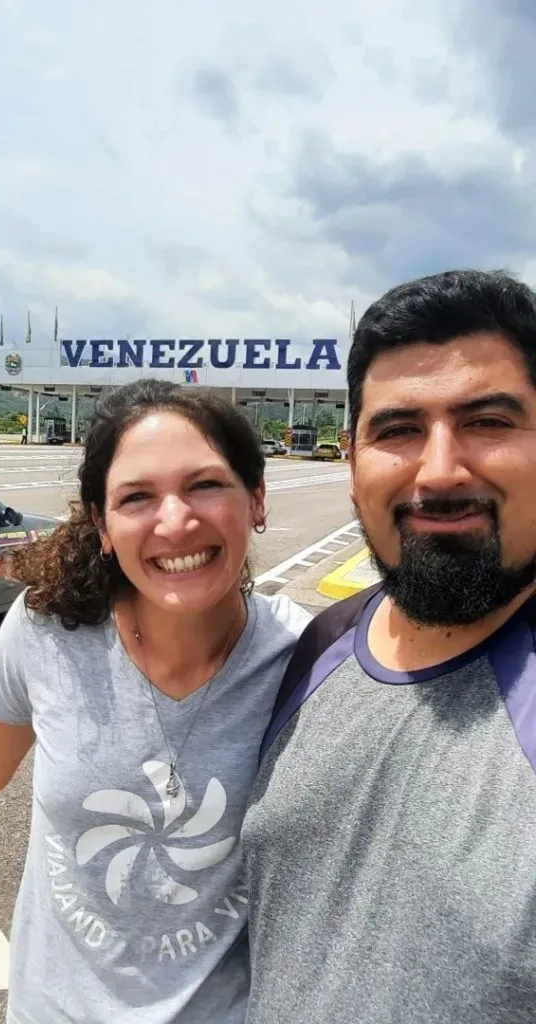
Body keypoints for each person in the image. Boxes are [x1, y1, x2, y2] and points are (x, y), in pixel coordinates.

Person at [0, 379, 312, 1023]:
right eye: (137, 496)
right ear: (102, 527)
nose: (176, 521)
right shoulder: (49, 627)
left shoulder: (305, 656)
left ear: (256, 500)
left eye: (205, 485)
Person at [242, 269, 536, 1023]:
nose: (438, 471)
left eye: (489, 421)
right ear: (352, 462)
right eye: (398, 430)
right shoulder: (317, 648)